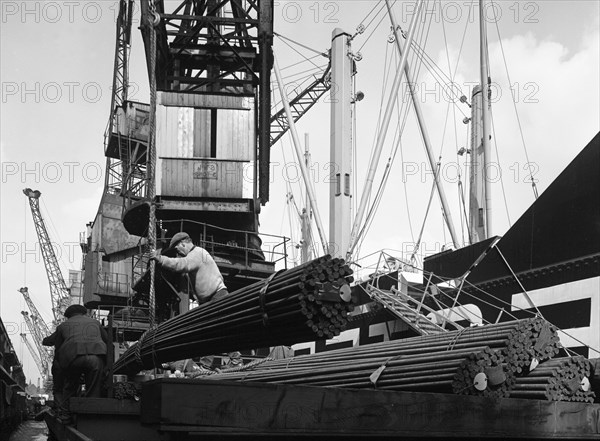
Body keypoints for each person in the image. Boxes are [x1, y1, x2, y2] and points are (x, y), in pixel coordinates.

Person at [43, 304, 108, 417]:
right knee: (93, 387)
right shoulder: (95, 323)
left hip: (73, 358)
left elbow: (56, 346)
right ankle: (90, 415)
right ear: (85, 313)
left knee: (71, 385)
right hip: (96, 358)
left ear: (68, 316)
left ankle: (66, 414)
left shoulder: (63, 326)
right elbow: (107, 339)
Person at [150, 232, 228, 304]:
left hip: (217, 297)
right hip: (211, 299)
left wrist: (160, 259)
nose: (178, 252)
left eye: (177, 249)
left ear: (183, 244)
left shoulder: (196, 253)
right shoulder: (198, 253)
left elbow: (180, 264)